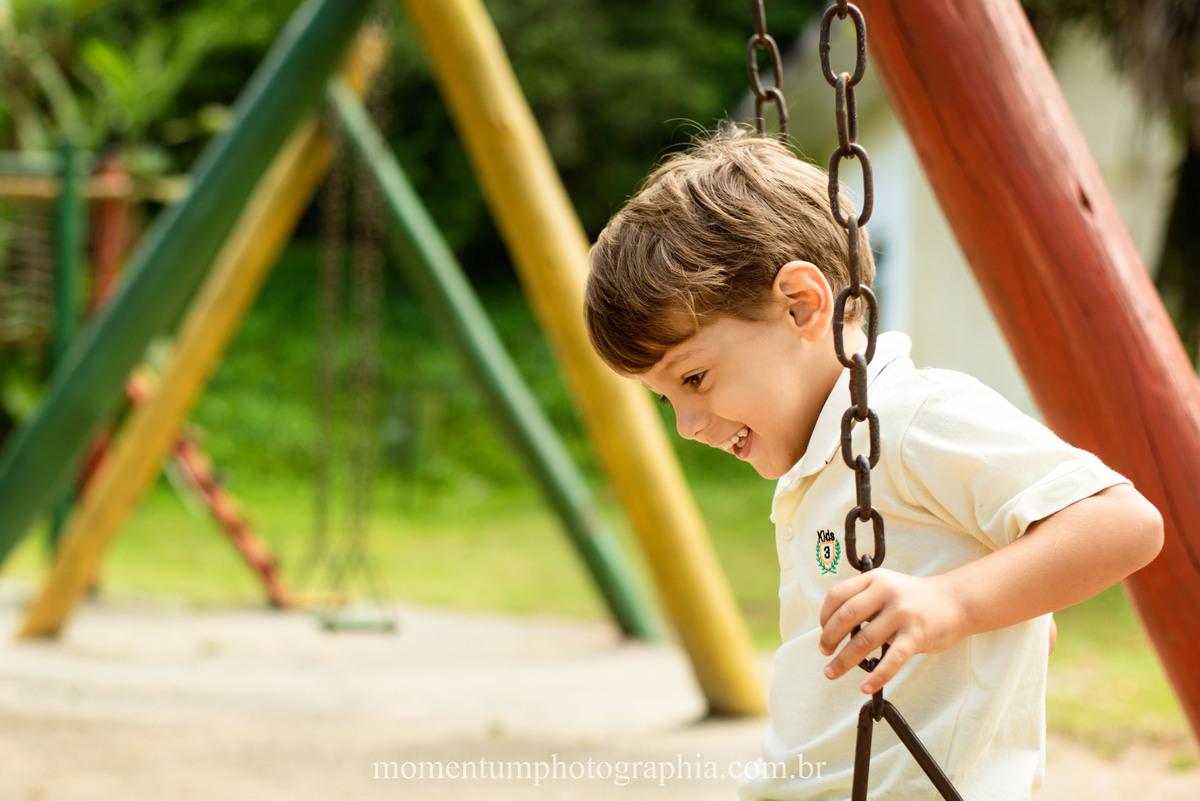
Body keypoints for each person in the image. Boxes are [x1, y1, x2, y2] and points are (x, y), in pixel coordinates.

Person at [583, 123, 1164, 800]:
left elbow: (1125, 520)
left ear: (802, 305)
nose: (686, 426)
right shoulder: (820, 462)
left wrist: (955, 602)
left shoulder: (910, 416)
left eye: (694, 380)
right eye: (664, 400)